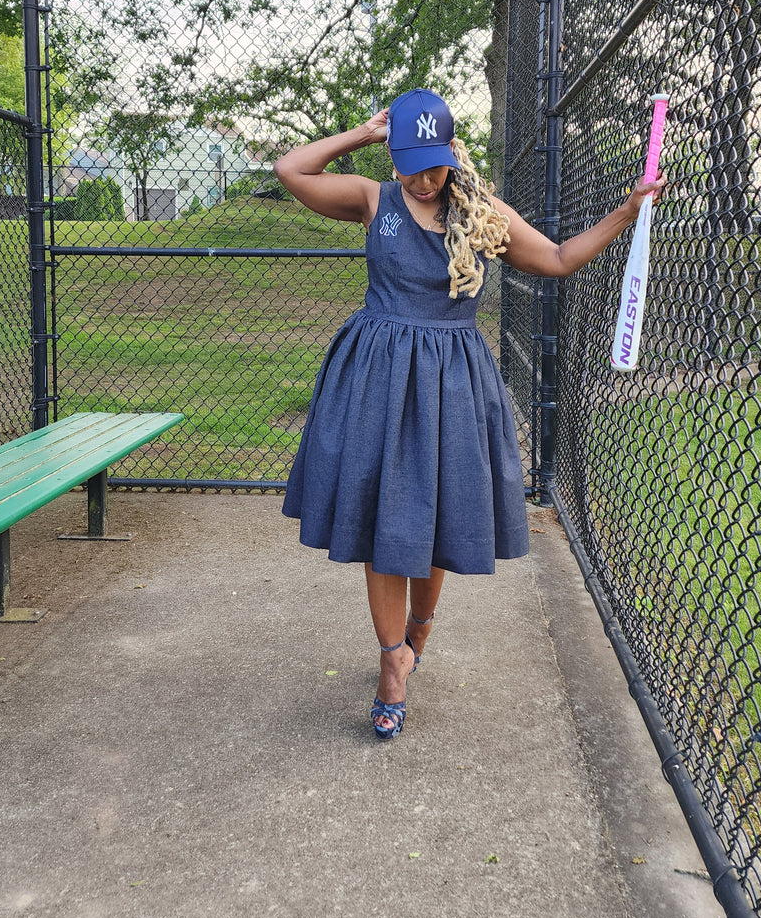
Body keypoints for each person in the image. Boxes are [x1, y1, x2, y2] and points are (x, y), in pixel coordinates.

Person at [274, 88, 665, 740]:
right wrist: (361, 134)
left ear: (453, 152)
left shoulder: (479, 214)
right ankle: (391, 662)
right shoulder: (375, 200)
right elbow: (292, 170)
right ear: (392, 155)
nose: (425, 179)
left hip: (449, 388)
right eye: (410, 163)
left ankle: (417, 632)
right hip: (376, 380)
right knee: (379, 527)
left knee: (432, 532)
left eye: (435, 163)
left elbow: (561, 259)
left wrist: (627, 211)